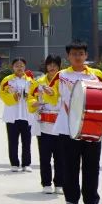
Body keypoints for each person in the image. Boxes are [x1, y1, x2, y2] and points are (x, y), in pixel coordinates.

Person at [41, 41, 102, 204]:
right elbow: (52, 97)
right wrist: (50, 94)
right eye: (74, 54)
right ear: (68, 57)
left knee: (92, 166)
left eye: (81, 54)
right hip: (68, 127)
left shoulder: (96, 75)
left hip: (92, 126)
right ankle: (71, 201)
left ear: (86, 55)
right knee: (70, 165)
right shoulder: (61, 75)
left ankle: (91, 203)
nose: (78, 57)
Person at [29, 55, 64, 194]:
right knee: (44, 157)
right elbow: (30, 97)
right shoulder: (38, 82)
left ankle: (59, 183)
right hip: (43, 124)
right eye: (49, 64)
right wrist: (34, 103)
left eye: (55, 64)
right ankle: (46, 183)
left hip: (60, 125)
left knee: (60, 157)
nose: (52, 67)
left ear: (59, 66)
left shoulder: (64, 81)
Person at [0, 58, 33, 173]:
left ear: (25, 67)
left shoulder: (30, 81)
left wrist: (29, 96)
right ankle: (14, 163)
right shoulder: (7, 80)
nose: (19, 68)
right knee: (13, 141)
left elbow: (34, 95)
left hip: (26, 115)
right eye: (17, 66)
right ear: (12, 67)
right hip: (12, 115)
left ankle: (26, 163)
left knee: (27, 141)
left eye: (21, 65)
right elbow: (2, 95)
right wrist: (13, 97)